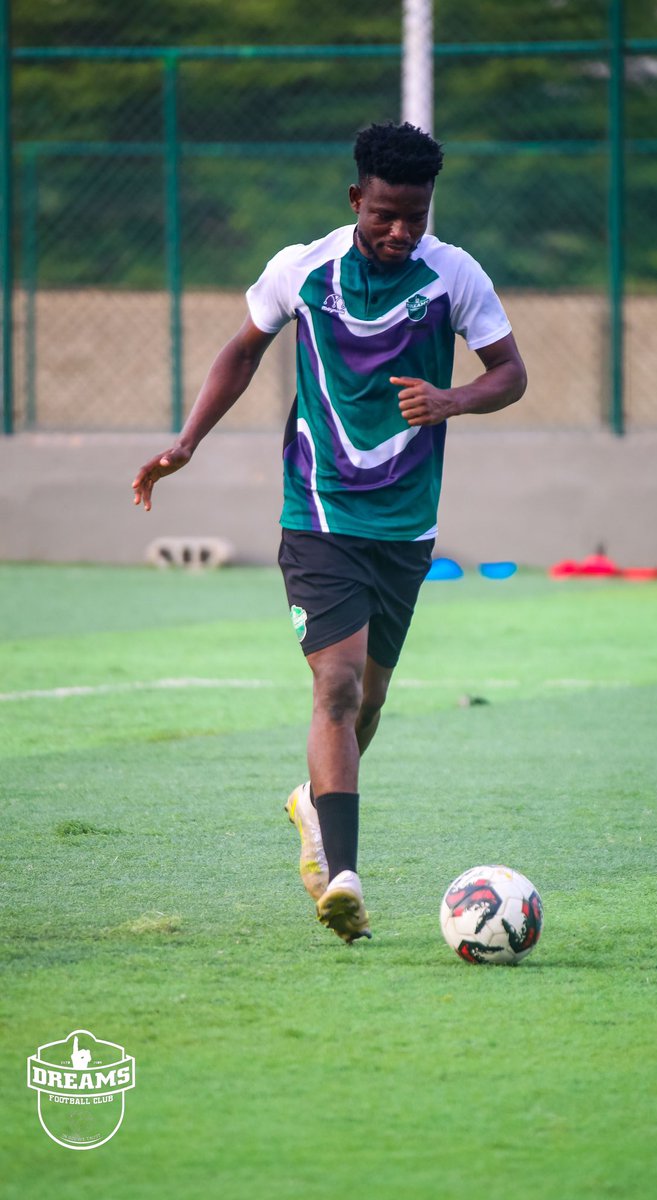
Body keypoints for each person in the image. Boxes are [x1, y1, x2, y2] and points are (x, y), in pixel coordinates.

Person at [132, 121, 527, 945]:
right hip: (317, 510)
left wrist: (454, 399)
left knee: (370, 701)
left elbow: (510, 373)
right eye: (385, 213)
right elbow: (241, 352)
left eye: (414, 215)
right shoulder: (301, 268)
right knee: (337, 687)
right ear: (357, 199)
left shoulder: (455, 275)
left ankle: (312, 804)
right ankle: (342, 877)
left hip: (407, 524)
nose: (399, 230)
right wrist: (186, 441)